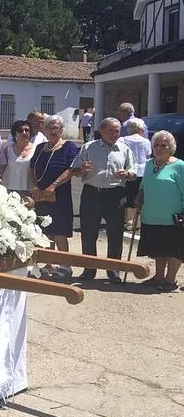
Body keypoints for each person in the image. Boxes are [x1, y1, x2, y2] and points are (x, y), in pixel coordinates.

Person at [71, 117, 137, 283]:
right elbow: (75, 170)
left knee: (115, 234)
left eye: (117, 131)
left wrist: (127, 174)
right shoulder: (88, 147)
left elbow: (134, 171)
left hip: (115, 195)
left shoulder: (124, 149)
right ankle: (89, 269)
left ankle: (113, 269)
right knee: (88, 233)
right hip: (92, 193)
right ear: (101, 131)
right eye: (111, 130)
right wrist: (81, 170)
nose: (115, 133)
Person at [29, 115, 79, 280]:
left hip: (60, 196)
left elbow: (70, 170)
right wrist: (34, 186)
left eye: (56, 127)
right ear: (44, 130)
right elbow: (31, 169)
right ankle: (49, 262)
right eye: (49, 127)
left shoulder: (69, 147)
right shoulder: (40, 147)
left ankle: (65, 265)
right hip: (42, 195)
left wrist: (53, 186)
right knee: (46, 230)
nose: (52, 130)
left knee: (59, 231)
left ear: (61, 130)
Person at [136, 130, 184, 292]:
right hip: (151, 215)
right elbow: (144, 184)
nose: (159, 148)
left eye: (163, 145)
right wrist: (140, 195)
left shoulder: (179, 166)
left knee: (173, 250)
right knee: (158, 248)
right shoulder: (149, 164)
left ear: (171, 147)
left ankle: (170, 280)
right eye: (156, 144)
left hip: (173, 218)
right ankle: (159, 276)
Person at [119, 118, 151, 229]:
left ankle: (128, 220)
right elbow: (148, 155)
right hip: (142, 171)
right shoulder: (146, 141)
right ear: (140, 128)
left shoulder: (123, 140)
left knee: (128, 195)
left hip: (128, 170)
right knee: (140, 194)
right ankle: (139, 219)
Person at [0, 119, 34, 197]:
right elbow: (1, 166)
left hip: (29, 191)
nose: (24, 133)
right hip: (9, 190)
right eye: (20, 130)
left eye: (27, 130)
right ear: (15, 134)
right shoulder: (7, 149)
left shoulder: (36, 149)